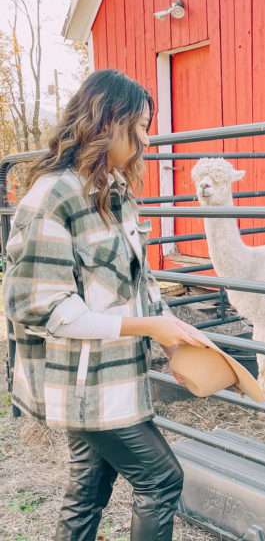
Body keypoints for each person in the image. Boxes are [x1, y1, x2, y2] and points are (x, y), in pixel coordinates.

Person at [2, 68, 208, 541]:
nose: (147, 141)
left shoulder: (114, 192)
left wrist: (172, 334)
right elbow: (41, 308)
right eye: (139, 128)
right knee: (160, 479)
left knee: (89, 488)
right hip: (82, 380)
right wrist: (149, 329)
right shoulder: (52, 198)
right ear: (106, 122)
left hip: (113, 375)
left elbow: (140, 281)